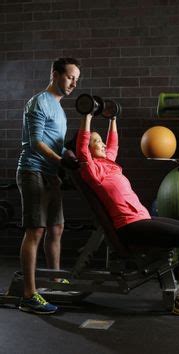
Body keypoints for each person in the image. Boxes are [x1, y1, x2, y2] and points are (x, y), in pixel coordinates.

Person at [75, 113, 179, 317]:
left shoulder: (109, 164)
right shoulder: (92, 171)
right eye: (96, 142)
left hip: (142, 218)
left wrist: (112, 119)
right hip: (129, 226)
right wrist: (86, 116)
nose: (103, 144)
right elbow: (81, 147)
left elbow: (113, 143)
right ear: (88, 148)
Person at [16, 57, 80, 315]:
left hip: (51, 174)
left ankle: (54, 280)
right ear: (55, 74)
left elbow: (54, 143)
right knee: (36, 231)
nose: (73, 83)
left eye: (76, 79)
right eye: (69, 77)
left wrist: (69, 155)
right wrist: (62, 161)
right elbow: (35, 143)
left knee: (57, 227)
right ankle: (29, 295)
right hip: (33, 171)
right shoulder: (39, 102)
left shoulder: (60, 108)